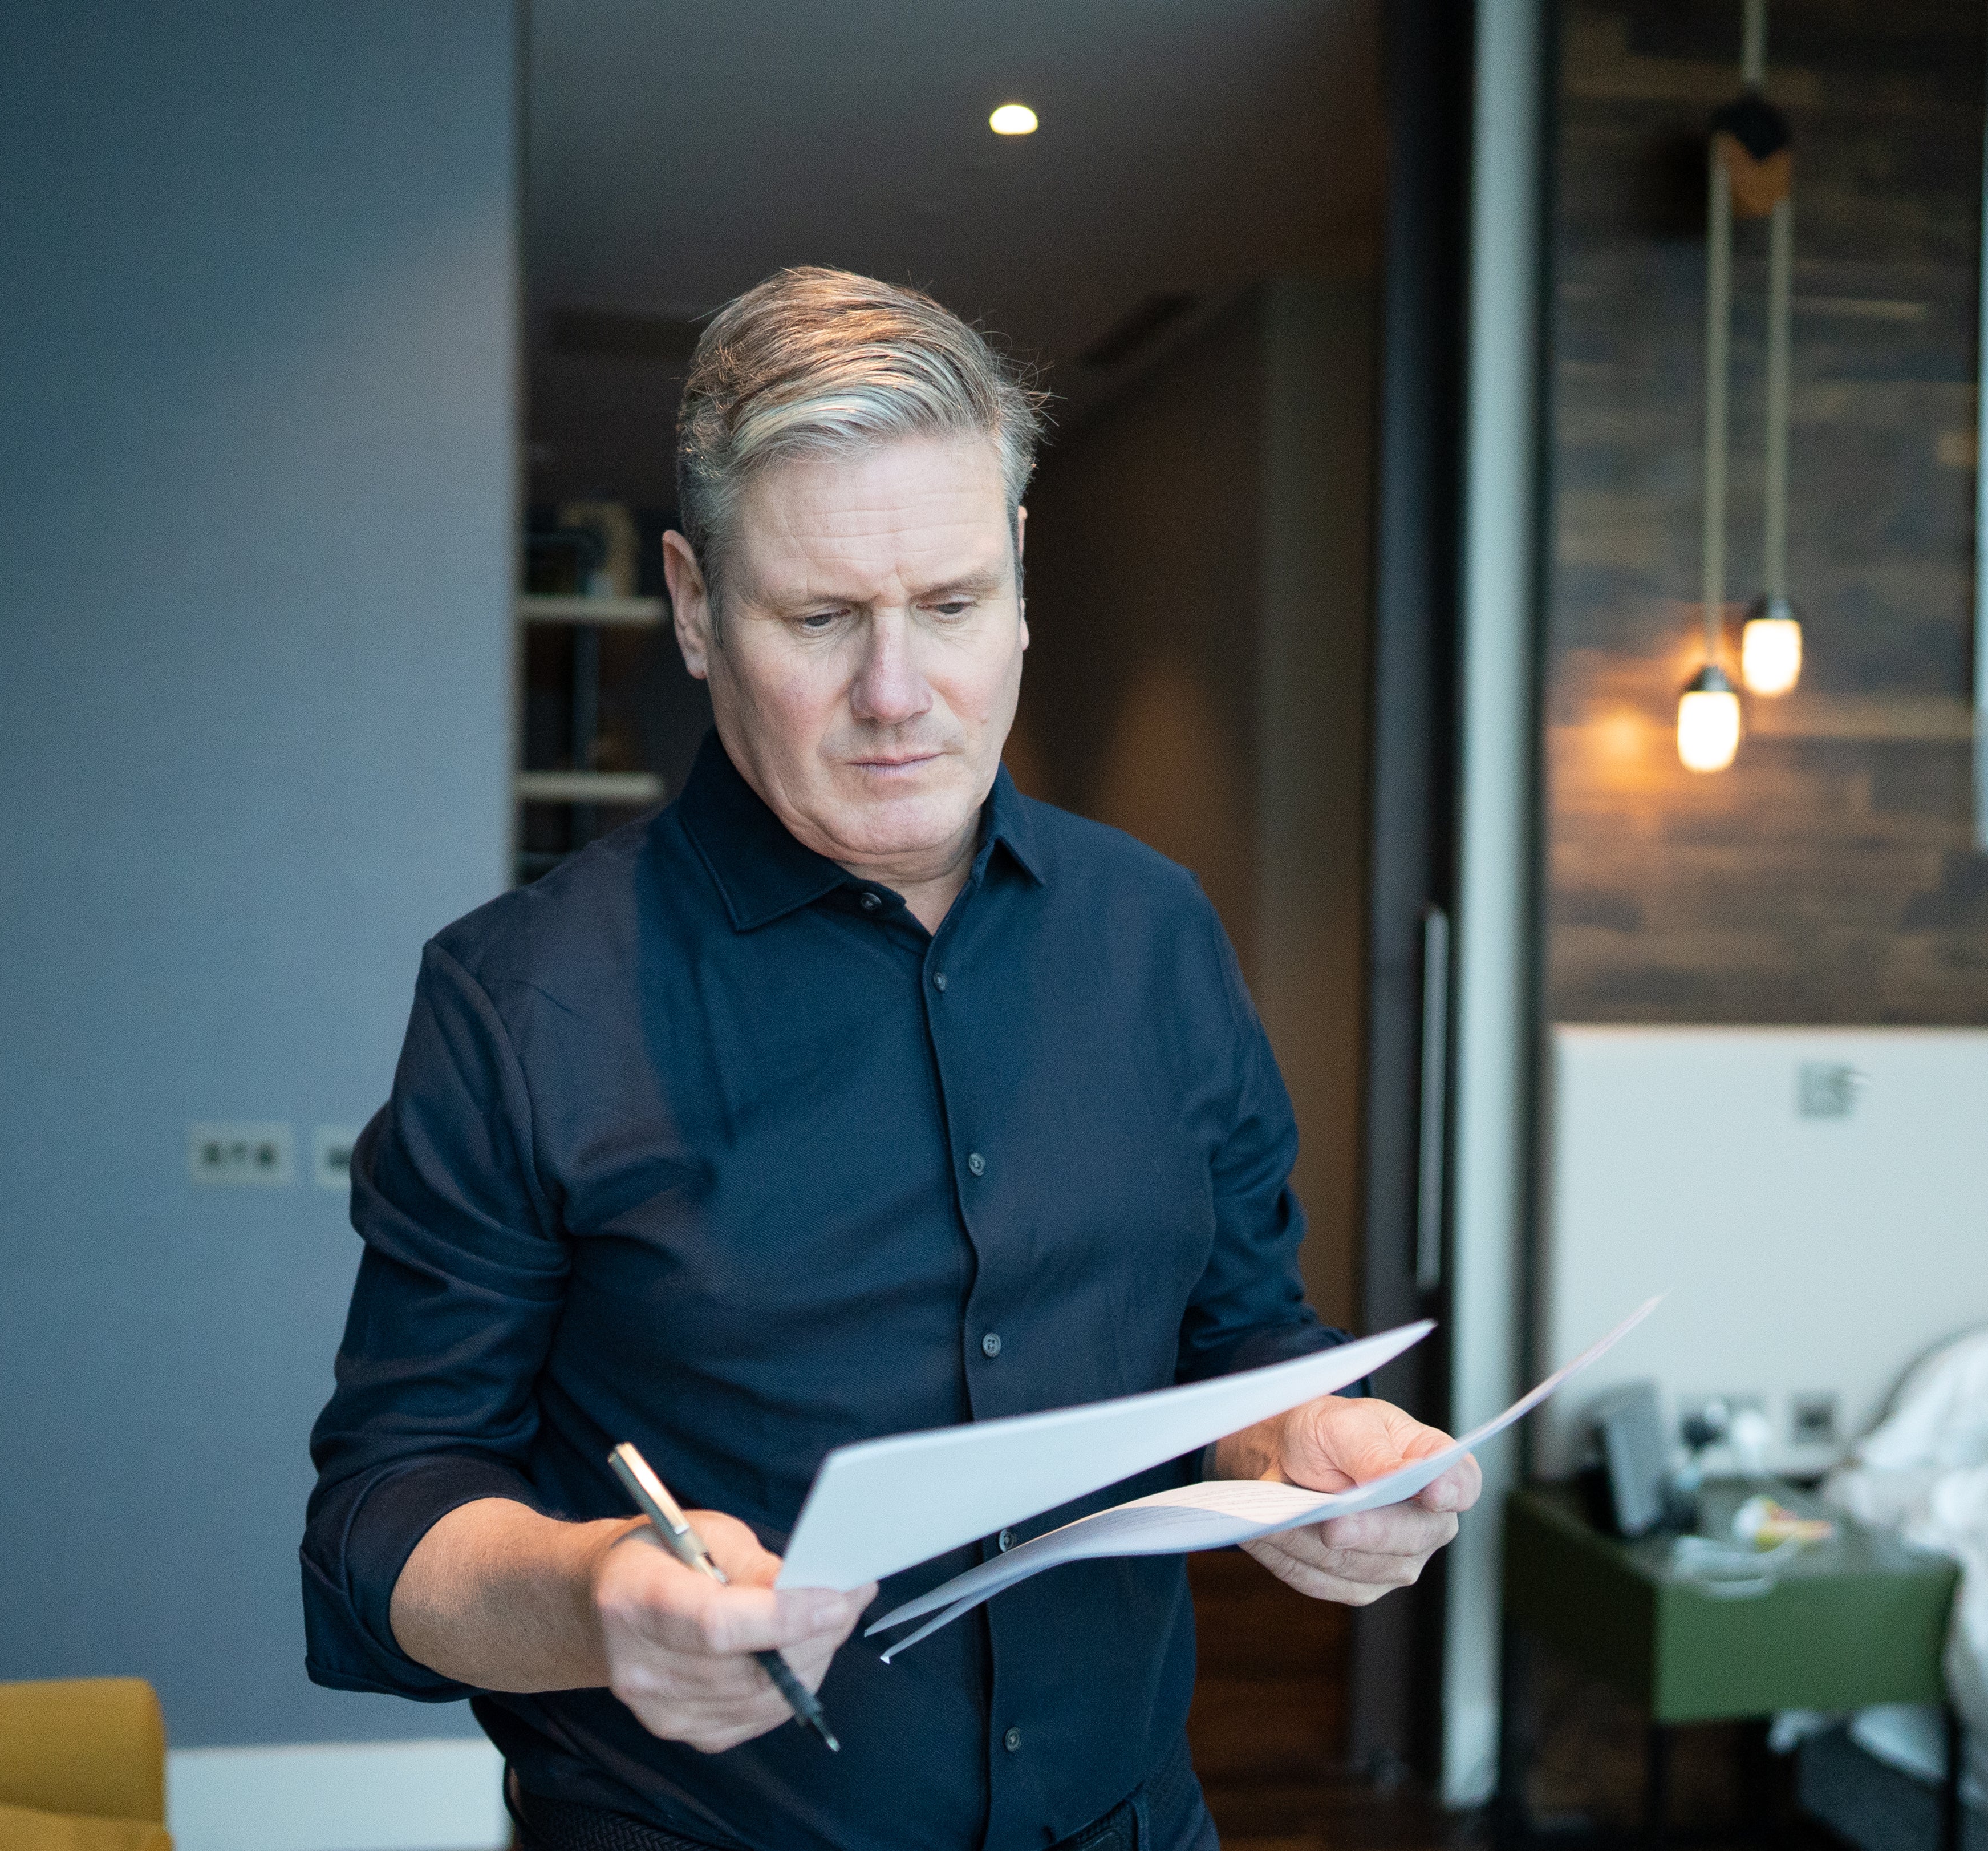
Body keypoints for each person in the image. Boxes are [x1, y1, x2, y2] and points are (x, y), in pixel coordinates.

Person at [301, 267, 1478, 1851]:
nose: (898, 697)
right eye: (821, 618)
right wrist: (596, 1600)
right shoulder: (519, 1003)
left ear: (1018, 585)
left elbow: (1236, 1337)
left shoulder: (1154, 932)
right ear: (693, 606)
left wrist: (1299, 1449)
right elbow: (381, 1524)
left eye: (950, 605)